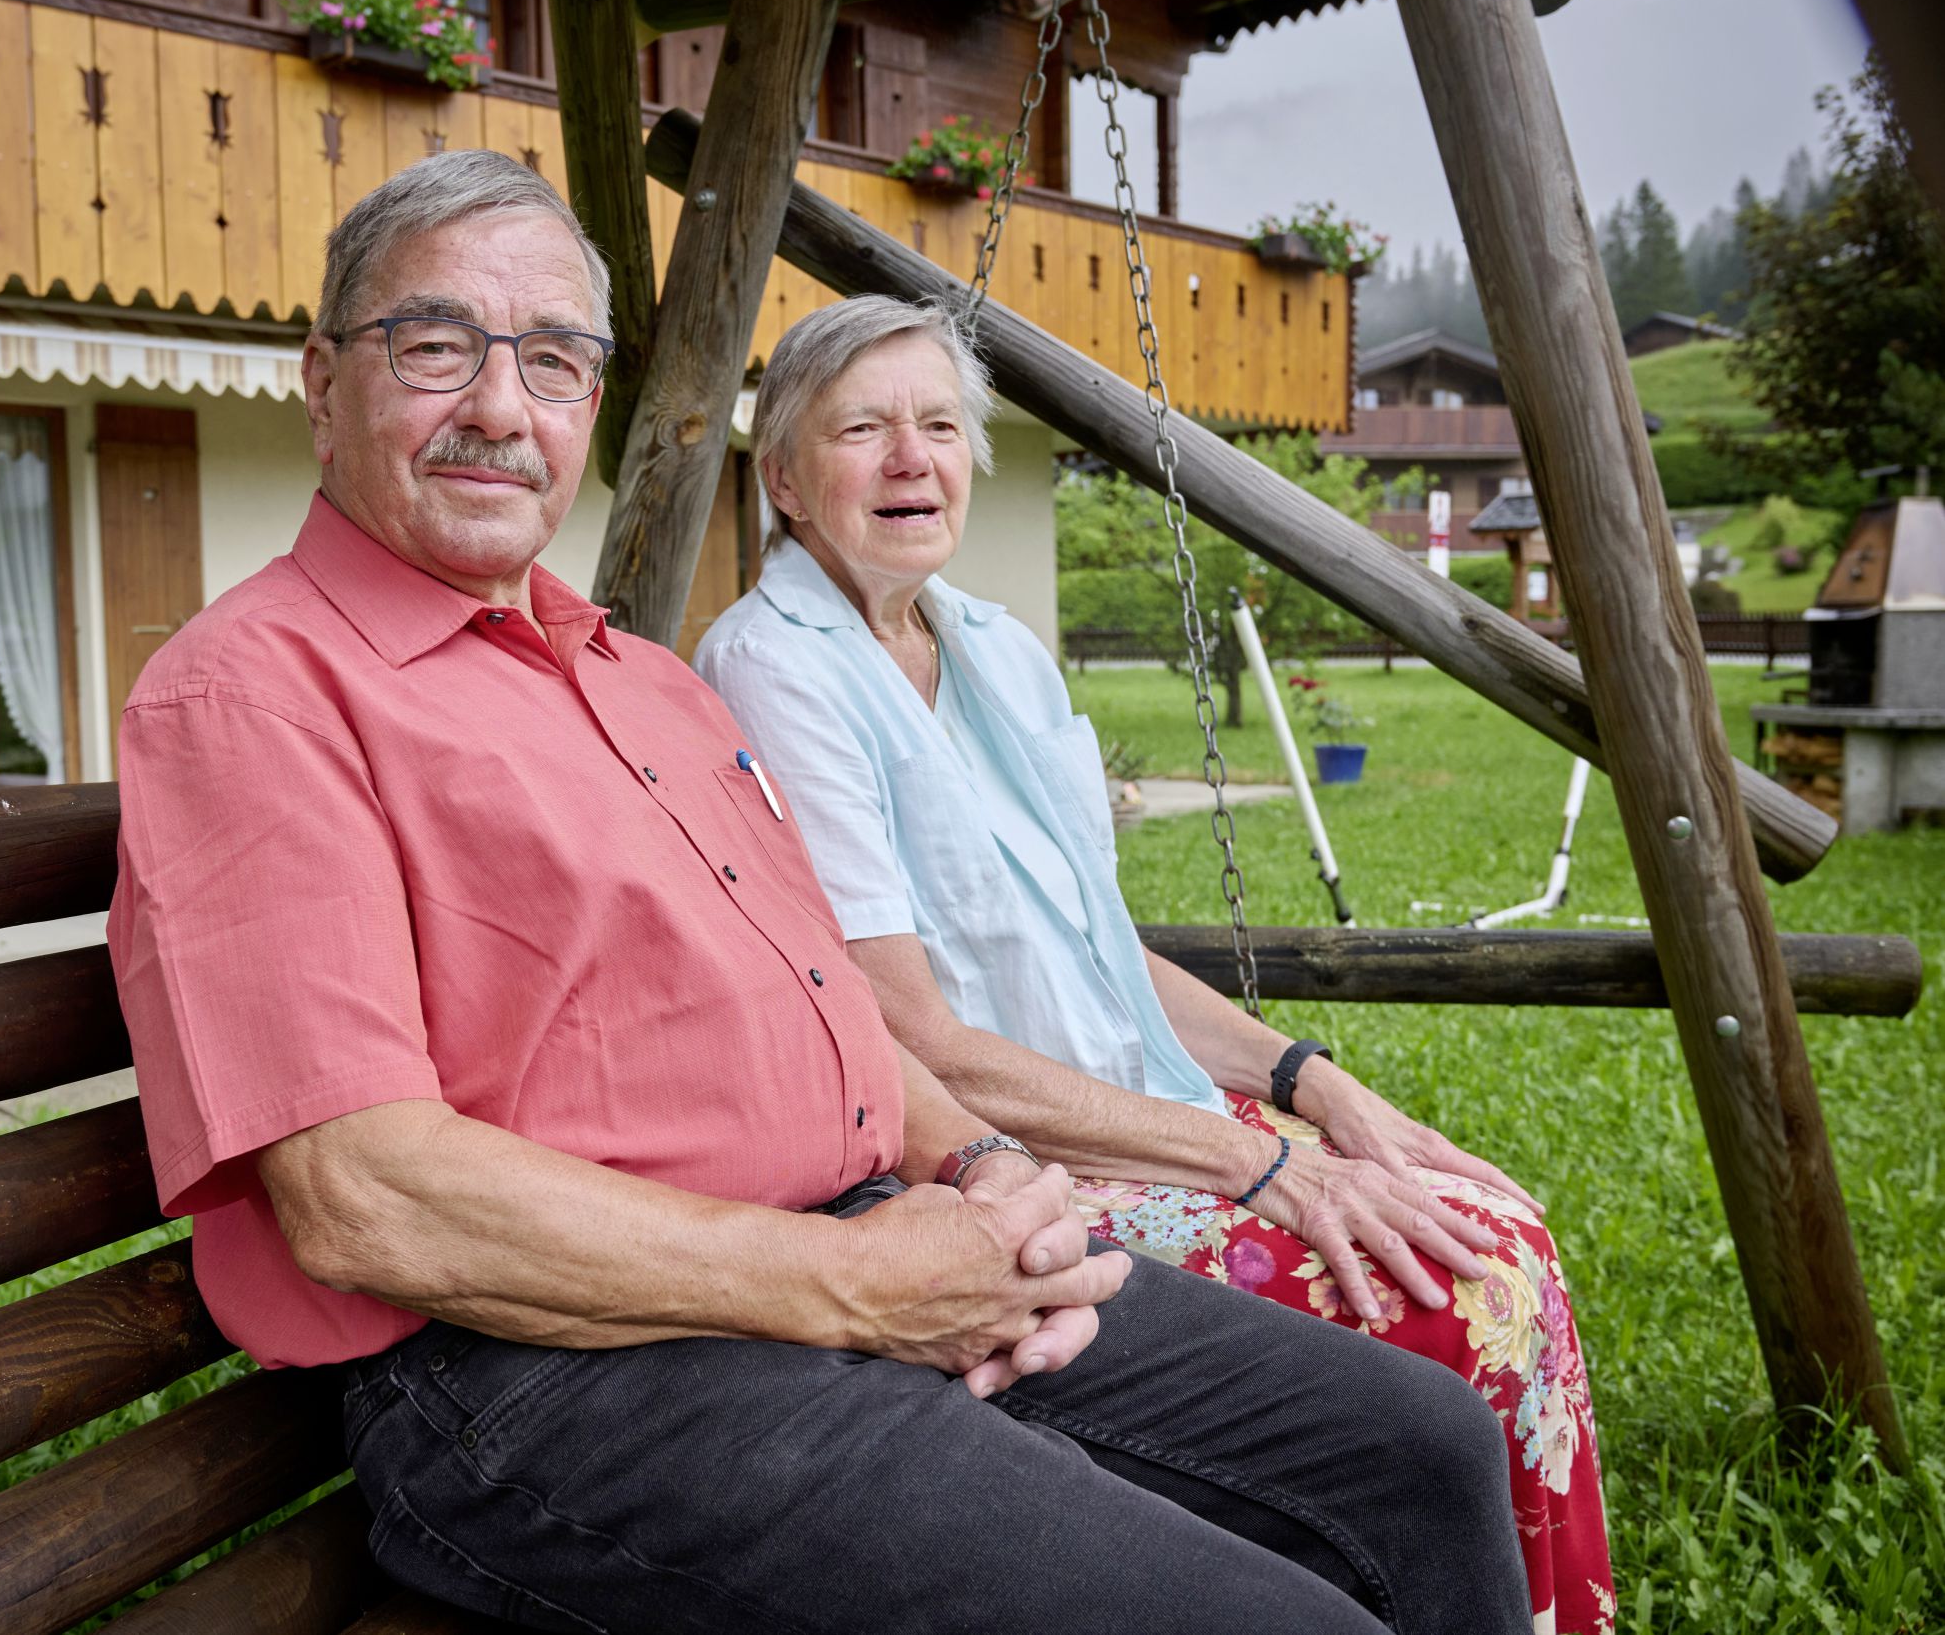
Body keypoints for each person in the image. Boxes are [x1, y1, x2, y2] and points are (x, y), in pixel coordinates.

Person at [110, 151, 1532, 1635]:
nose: (497, 406)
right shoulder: (253, 696)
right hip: (548, 1363)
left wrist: (984, 1170)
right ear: (323, 383)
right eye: (435, 345)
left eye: (550, 359)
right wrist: (851, 1284)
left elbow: (834, 1010)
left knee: (1420, 1446)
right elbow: (366, 1199)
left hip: (850, 1248)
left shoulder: (640, 681)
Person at [694, 293, 1612, 1634]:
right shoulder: (775, 667)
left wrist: (1312, 1086)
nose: (913, 459)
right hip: (1005, 1168)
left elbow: (1100, 944)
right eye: (864, 430)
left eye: (940, 425)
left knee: (1494, 1226)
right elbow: (921, 1045)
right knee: (1459, 1301)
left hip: (1133, 1108)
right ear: (783, 477)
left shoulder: (990, 646)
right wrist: (1262, 1164)